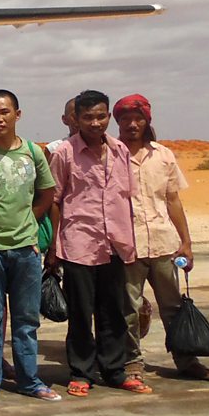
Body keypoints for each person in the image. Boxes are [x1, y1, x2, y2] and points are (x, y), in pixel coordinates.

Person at [0, 90, 62, 402]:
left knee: (26, 320)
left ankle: (29, 380)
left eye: (4, 112)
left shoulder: (32, 152)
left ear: (18, 114)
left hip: (26, 250)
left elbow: (47, 194)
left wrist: (29, 222)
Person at [48, 90, 150, 396]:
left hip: (115, 243)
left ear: (108, 117)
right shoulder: (65, 153)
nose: (95, 123)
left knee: (113, 311)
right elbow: (54, 200)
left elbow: (126, 197)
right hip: (78, 243)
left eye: (101, 116)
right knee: (81, 313)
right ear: (76, 119)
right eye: (88, 117)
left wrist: (131, 240)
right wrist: (53, 245)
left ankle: (115, 371)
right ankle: (81, 372)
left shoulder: (120, 150)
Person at [114, 94, 209, 382]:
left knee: (173, 307)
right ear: (118, 122)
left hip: (163, 244)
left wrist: (186, 242)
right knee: (129, 310)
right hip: (127, 247)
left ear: (147, 121)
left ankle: (187, 361)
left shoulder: (163, 155)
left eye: (138, 119)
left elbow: (173, 200)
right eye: (125, 119)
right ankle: (132, 363)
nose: (132, 124)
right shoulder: (110, 155)